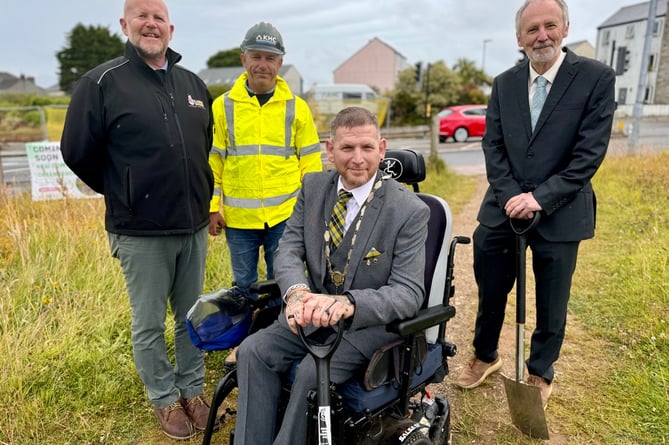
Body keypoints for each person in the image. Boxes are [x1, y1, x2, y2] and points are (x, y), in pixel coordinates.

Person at [60, 0, 215, 440]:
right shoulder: (102, 83)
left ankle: (194, 390)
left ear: (171, 28)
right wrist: (124, 189)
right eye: (141, 16)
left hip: (192, 226)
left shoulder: (193, 84)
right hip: (140, 231)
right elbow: (76, 151)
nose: (151, 24)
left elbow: (201, 148)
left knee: (192, 317)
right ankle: (165, 399)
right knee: (148, 323)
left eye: (158, 18)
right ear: (125, 24)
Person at [232, 106, 430, 444]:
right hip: (308, 312)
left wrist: (348, 304)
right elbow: (289, 250)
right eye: (347, 148)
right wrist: (295, 293)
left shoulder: (409, 211)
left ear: (381, 149)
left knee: (312, 371)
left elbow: (409, 294)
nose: (358, 159)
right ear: (330, 149)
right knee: (253, 352)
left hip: (365, 325)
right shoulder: (312, 187)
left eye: (367, 148)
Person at [454, 0, 616, 409]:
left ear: (564, 28)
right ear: (519, 38)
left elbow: (588, 155)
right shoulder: (503, 83)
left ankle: (540, 371)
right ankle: (486, 355)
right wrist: (512, 195)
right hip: (503, 206)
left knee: (552, 298)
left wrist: (540, 198)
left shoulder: (596, 78)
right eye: (532, 29)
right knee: (490, 283)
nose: (541, 35)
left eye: (549, 26)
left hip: (561, 207)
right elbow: (492, 145)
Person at [207, 21, 321, 341]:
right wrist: (213, 206)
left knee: (281, 280)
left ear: (280, 63)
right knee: (242, 286)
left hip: (284, 215)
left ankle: (275, 340)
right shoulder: (223, 107)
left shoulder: (296, 109)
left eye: (270, 58)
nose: (263, 65)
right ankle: (241, 344)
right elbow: (214, 162)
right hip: (240, 220)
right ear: (243, 59)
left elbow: (311, 165)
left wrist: (308, 212)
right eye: (256, 56)